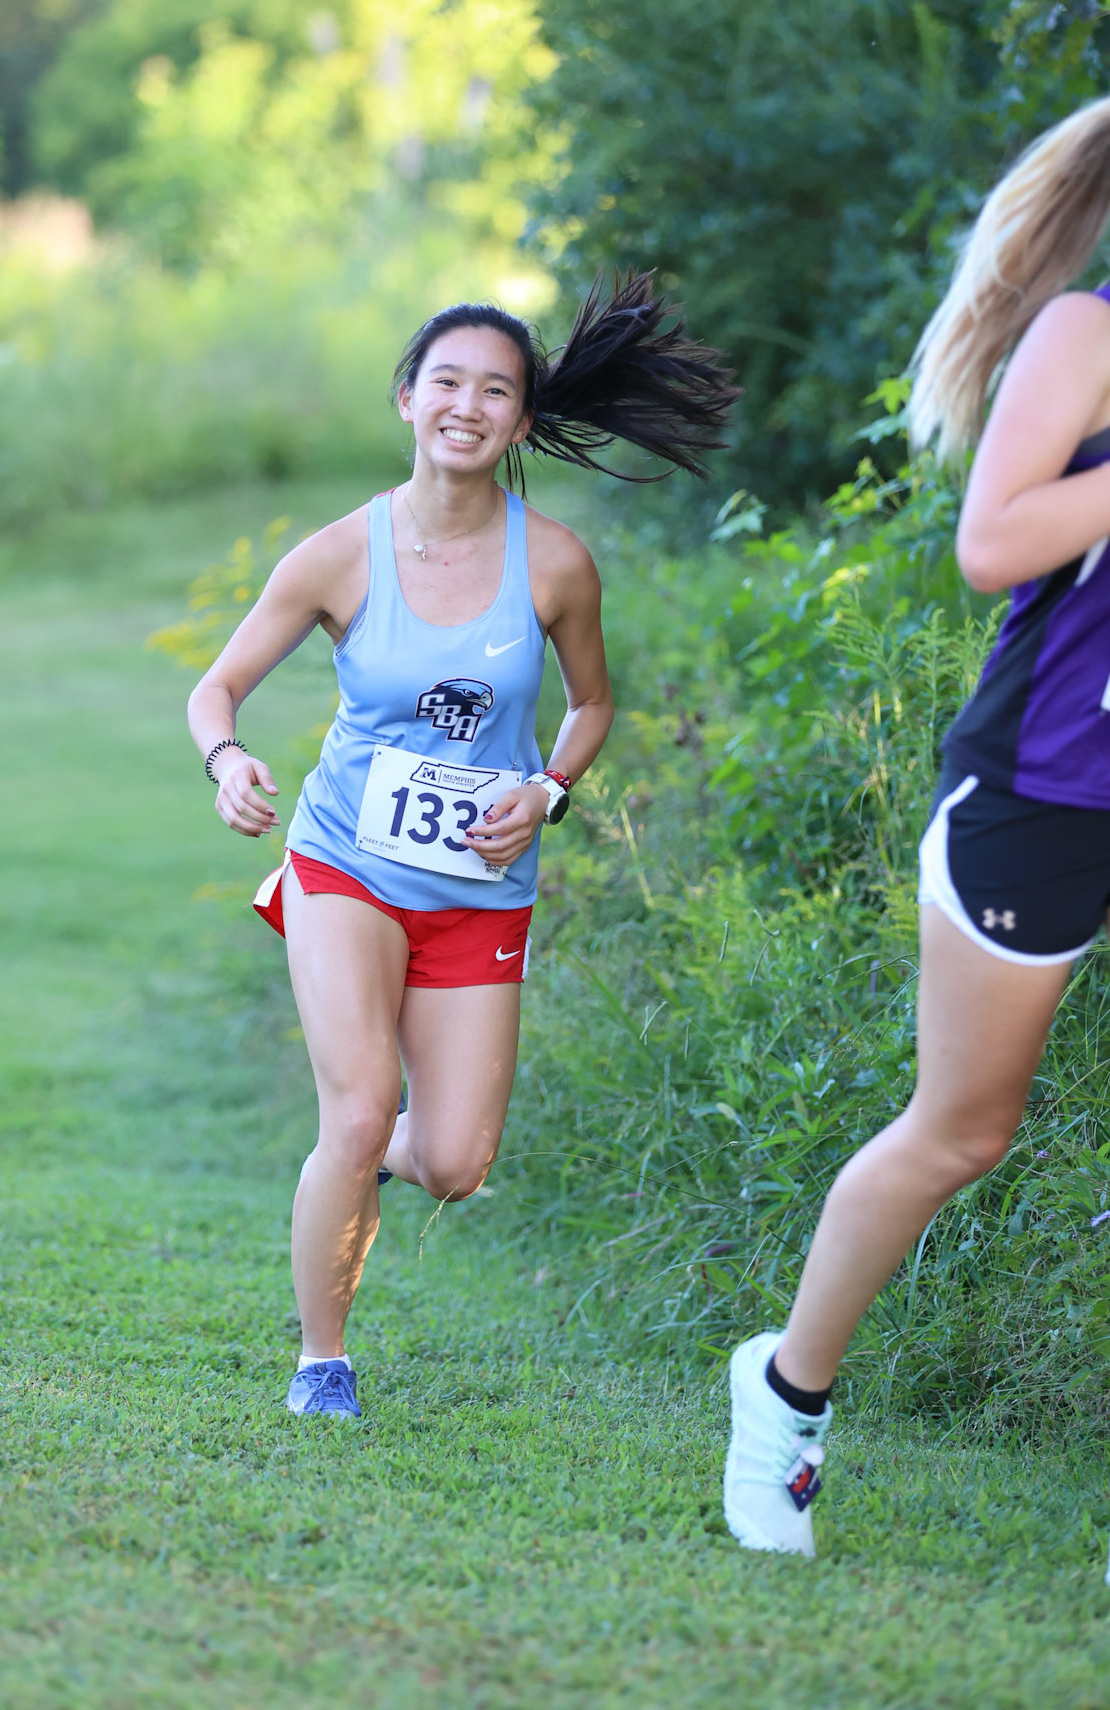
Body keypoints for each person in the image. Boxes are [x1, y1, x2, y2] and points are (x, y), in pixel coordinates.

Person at [188, 274, 738, 1418]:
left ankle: (364, 1159)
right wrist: (228, 758)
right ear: (407, 398)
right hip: (345, 862)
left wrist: (547, 788)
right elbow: (217, 686)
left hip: (480, 888)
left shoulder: (557, 564)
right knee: (356, 1109)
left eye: (496, 390)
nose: (467, 406)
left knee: (453, 1162)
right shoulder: (339, 554)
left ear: (522, 421)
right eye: (447, 381)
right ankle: (322, 1361)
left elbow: (593, 705)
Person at [722, 95, 1110, 1559]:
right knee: (964, 1129)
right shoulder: (1084, 333)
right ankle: (784, 1395)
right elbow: (990, 542)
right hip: (1045, 789)